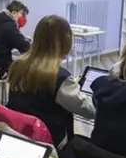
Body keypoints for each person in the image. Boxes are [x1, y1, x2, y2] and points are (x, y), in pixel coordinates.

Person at [6, 15, 95, 149]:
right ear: (66, 42)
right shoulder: (59, 77)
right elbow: (88, 110)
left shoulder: (18, 65)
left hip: (18, 134)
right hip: (52, 143)